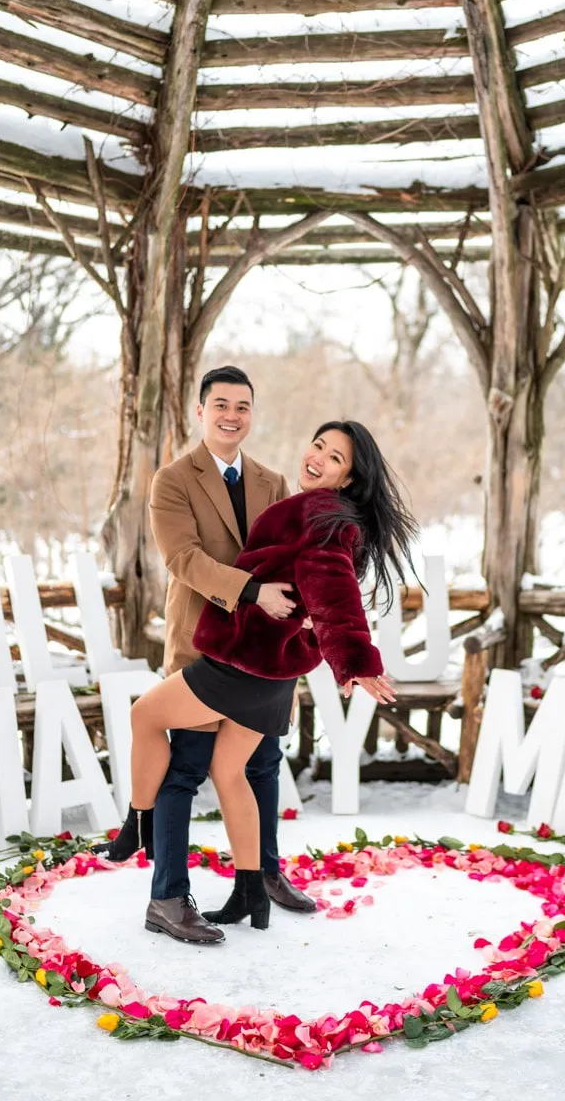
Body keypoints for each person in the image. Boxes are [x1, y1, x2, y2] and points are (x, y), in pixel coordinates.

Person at [108, 415, 417, 936]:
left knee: (144, 715)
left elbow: (332, 592)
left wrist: (357, 659)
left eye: (334, 457)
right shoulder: (324, 510)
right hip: (274, 668)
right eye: (317, 445)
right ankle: (252, 891)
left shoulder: (319, 513)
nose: (316, 457)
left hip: (242, 663)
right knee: (229, 774)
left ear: (347, 478)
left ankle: (137, 822)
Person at [105, 365, 313, 946]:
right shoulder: (172, 480)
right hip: (204, 647)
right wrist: (253, 591)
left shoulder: (272, 481)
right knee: (187, 769)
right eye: (221, 404)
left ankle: (262, 875)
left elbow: (296, 557)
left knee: (263, 767)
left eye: (242, 406)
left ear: (252, 413)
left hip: (268, 652)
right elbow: (183, 559)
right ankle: (167, 897)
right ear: (201, 411)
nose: (231, 415)